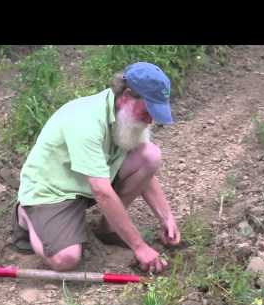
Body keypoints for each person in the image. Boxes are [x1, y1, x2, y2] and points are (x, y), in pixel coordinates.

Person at [12, 62, 181, 274]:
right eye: (148, 111)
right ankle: (26, 214)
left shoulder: (124, 115)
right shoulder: (87, 121)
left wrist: (166, 218)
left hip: (85, 183)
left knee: (150, 155)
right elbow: (101, 191)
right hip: (51, 192)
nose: (150, 120)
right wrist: (140, 247)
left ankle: (108, 229)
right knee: (66, 259)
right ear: (127, 96)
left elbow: (146, 173)